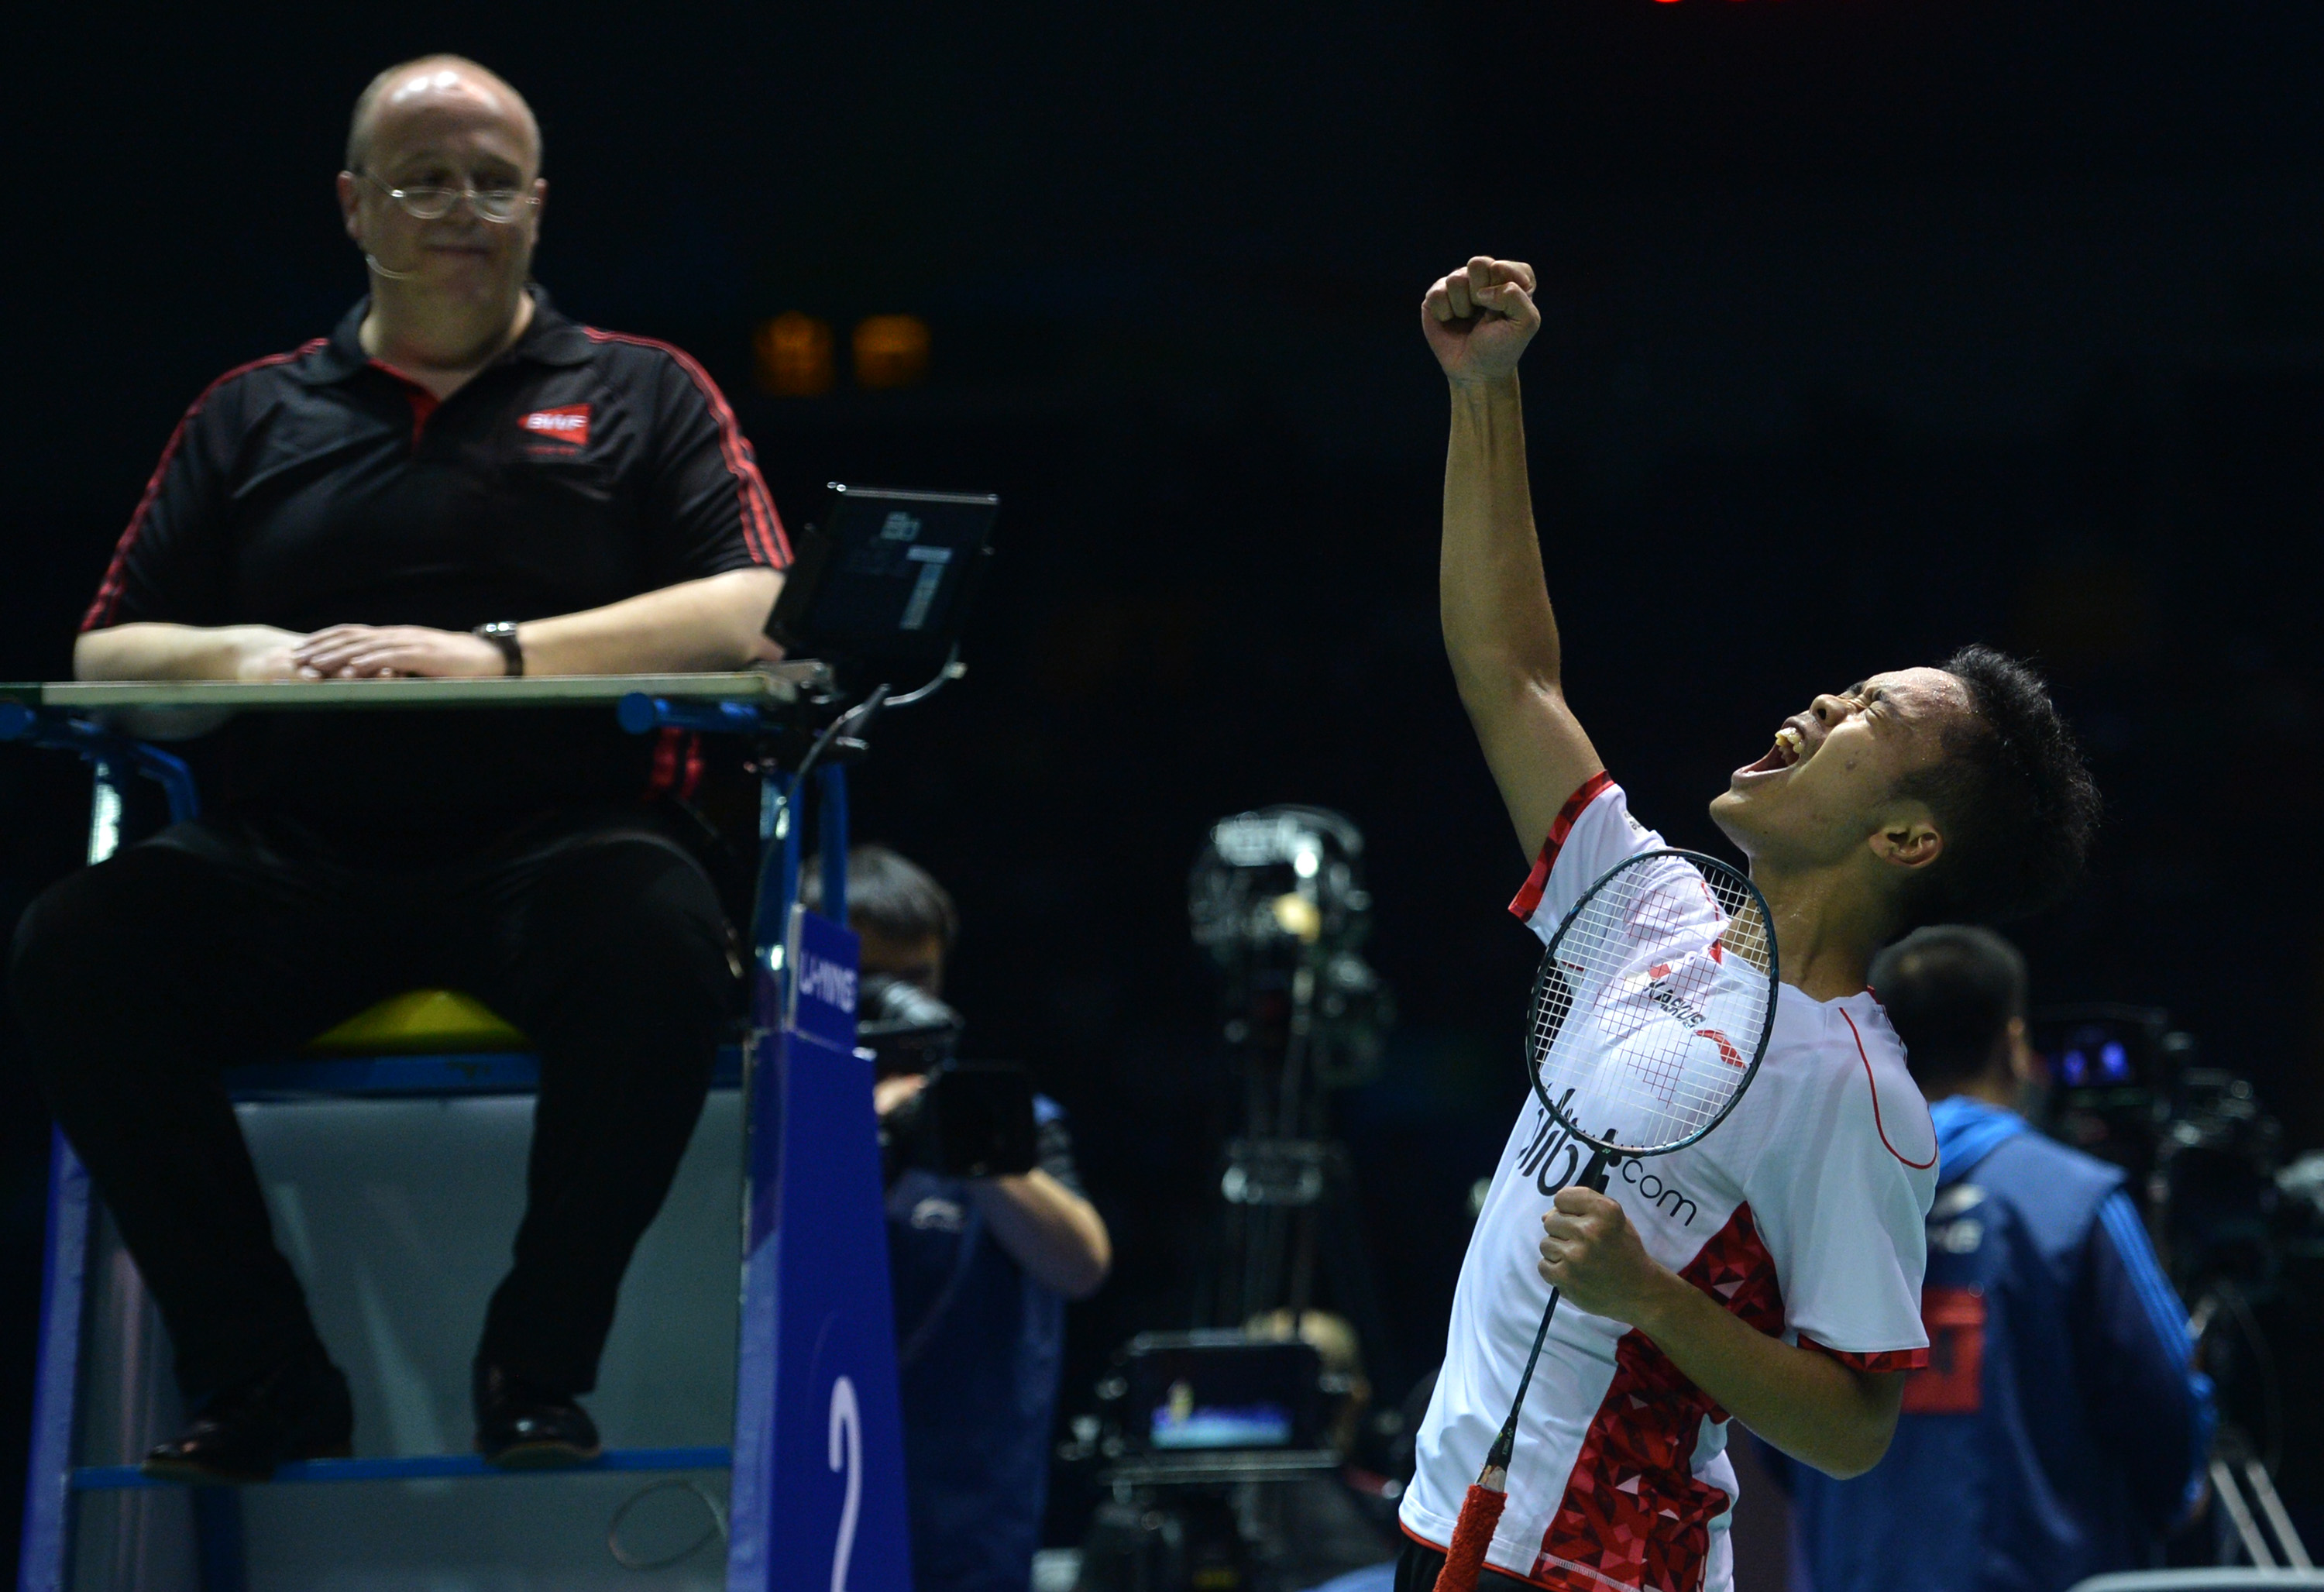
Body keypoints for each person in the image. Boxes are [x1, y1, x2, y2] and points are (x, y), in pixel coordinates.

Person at [6, 56, 789, 1480]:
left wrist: (494, 656)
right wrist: (243, 656)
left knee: (662, 937)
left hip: (565, 845)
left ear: (538, 207)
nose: (461, 209)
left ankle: (534, 1367)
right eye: (425, 180)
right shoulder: (249, 413)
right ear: (355, 205)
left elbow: (752, 606)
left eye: (493, 182)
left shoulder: (644, 391)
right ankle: (265, 1378)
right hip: (295, 859)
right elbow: (108, 651)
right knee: (77, 946)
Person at [1393, 257, 2102, 1592]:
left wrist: (1651, 1298)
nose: (1827, 705)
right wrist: (1485, 389)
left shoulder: (1857, 1092)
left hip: (1602, 1566)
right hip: (1446, 1523)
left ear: (1906, 839)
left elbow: (1854, 1424)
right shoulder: (1646, 904)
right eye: (1848, 688)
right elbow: (1511, 674)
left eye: (1871, 716)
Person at [1762, 926, 2214, 1592]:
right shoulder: (2074, 1200)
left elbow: (1777, 1422)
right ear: (2013, 1043)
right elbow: (2166, 1415)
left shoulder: (1810, 1204)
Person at [806, 844, 1111, 1592]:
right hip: (805, 1504)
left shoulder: (1007, 1120)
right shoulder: (771, 1115)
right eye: (871, 979)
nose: (896, 1002)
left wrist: (965, 1138)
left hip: (964, 1529)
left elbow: (1081, 1265)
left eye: (917, 979)